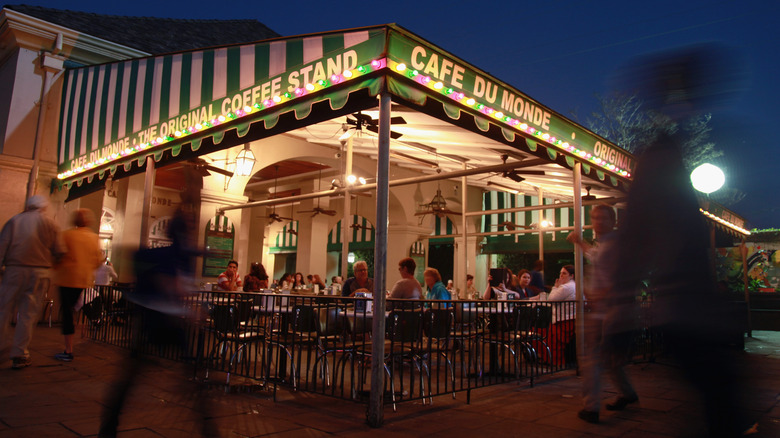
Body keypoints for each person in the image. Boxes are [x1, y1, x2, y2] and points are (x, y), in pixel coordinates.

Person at [568, 204, 638, 424]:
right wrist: (580, 242)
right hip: (606, 311)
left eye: (602, 218)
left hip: (608, 311)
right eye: (594, 218)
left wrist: (602, 296)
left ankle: (591, 407)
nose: (597, 222)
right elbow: (595, 256)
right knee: (609, 359)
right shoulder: (605, 244)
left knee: (592, 359)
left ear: (612, 221)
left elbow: (620, 276)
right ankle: (627, 393)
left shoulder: (615, 246)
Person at [0, 195, 64, 369]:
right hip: (39, 272)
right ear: (43, 208)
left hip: (14, 269)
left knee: (3, 310)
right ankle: (20, 353)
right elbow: (59, 250)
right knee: (28, 314)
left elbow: (2, 245)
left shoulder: (14, 221)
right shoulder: (51, 224)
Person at [54, 209, 104, 362]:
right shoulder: (94, 238)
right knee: (76, 311)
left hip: (67, 278)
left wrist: (56, 268)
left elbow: (58, 255)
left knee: (67, 314)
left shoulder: (67, 235)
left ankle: (68, 349)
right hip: (83, 280)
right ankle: (72, 344)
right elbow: (98, 260)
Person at [529, 265, 576, 366]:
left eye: (564, 273)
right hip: (570, 319)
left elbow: (551, 299)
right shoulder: (574, 286)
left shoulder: (565, 287)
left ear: (571, 276)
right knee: (539, 330)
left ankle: (552, 359)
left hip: (563, 321)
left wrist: (555, 287)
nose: (561, 276)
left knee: (535, 331)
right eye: (560, 273)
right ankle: (549, 358)